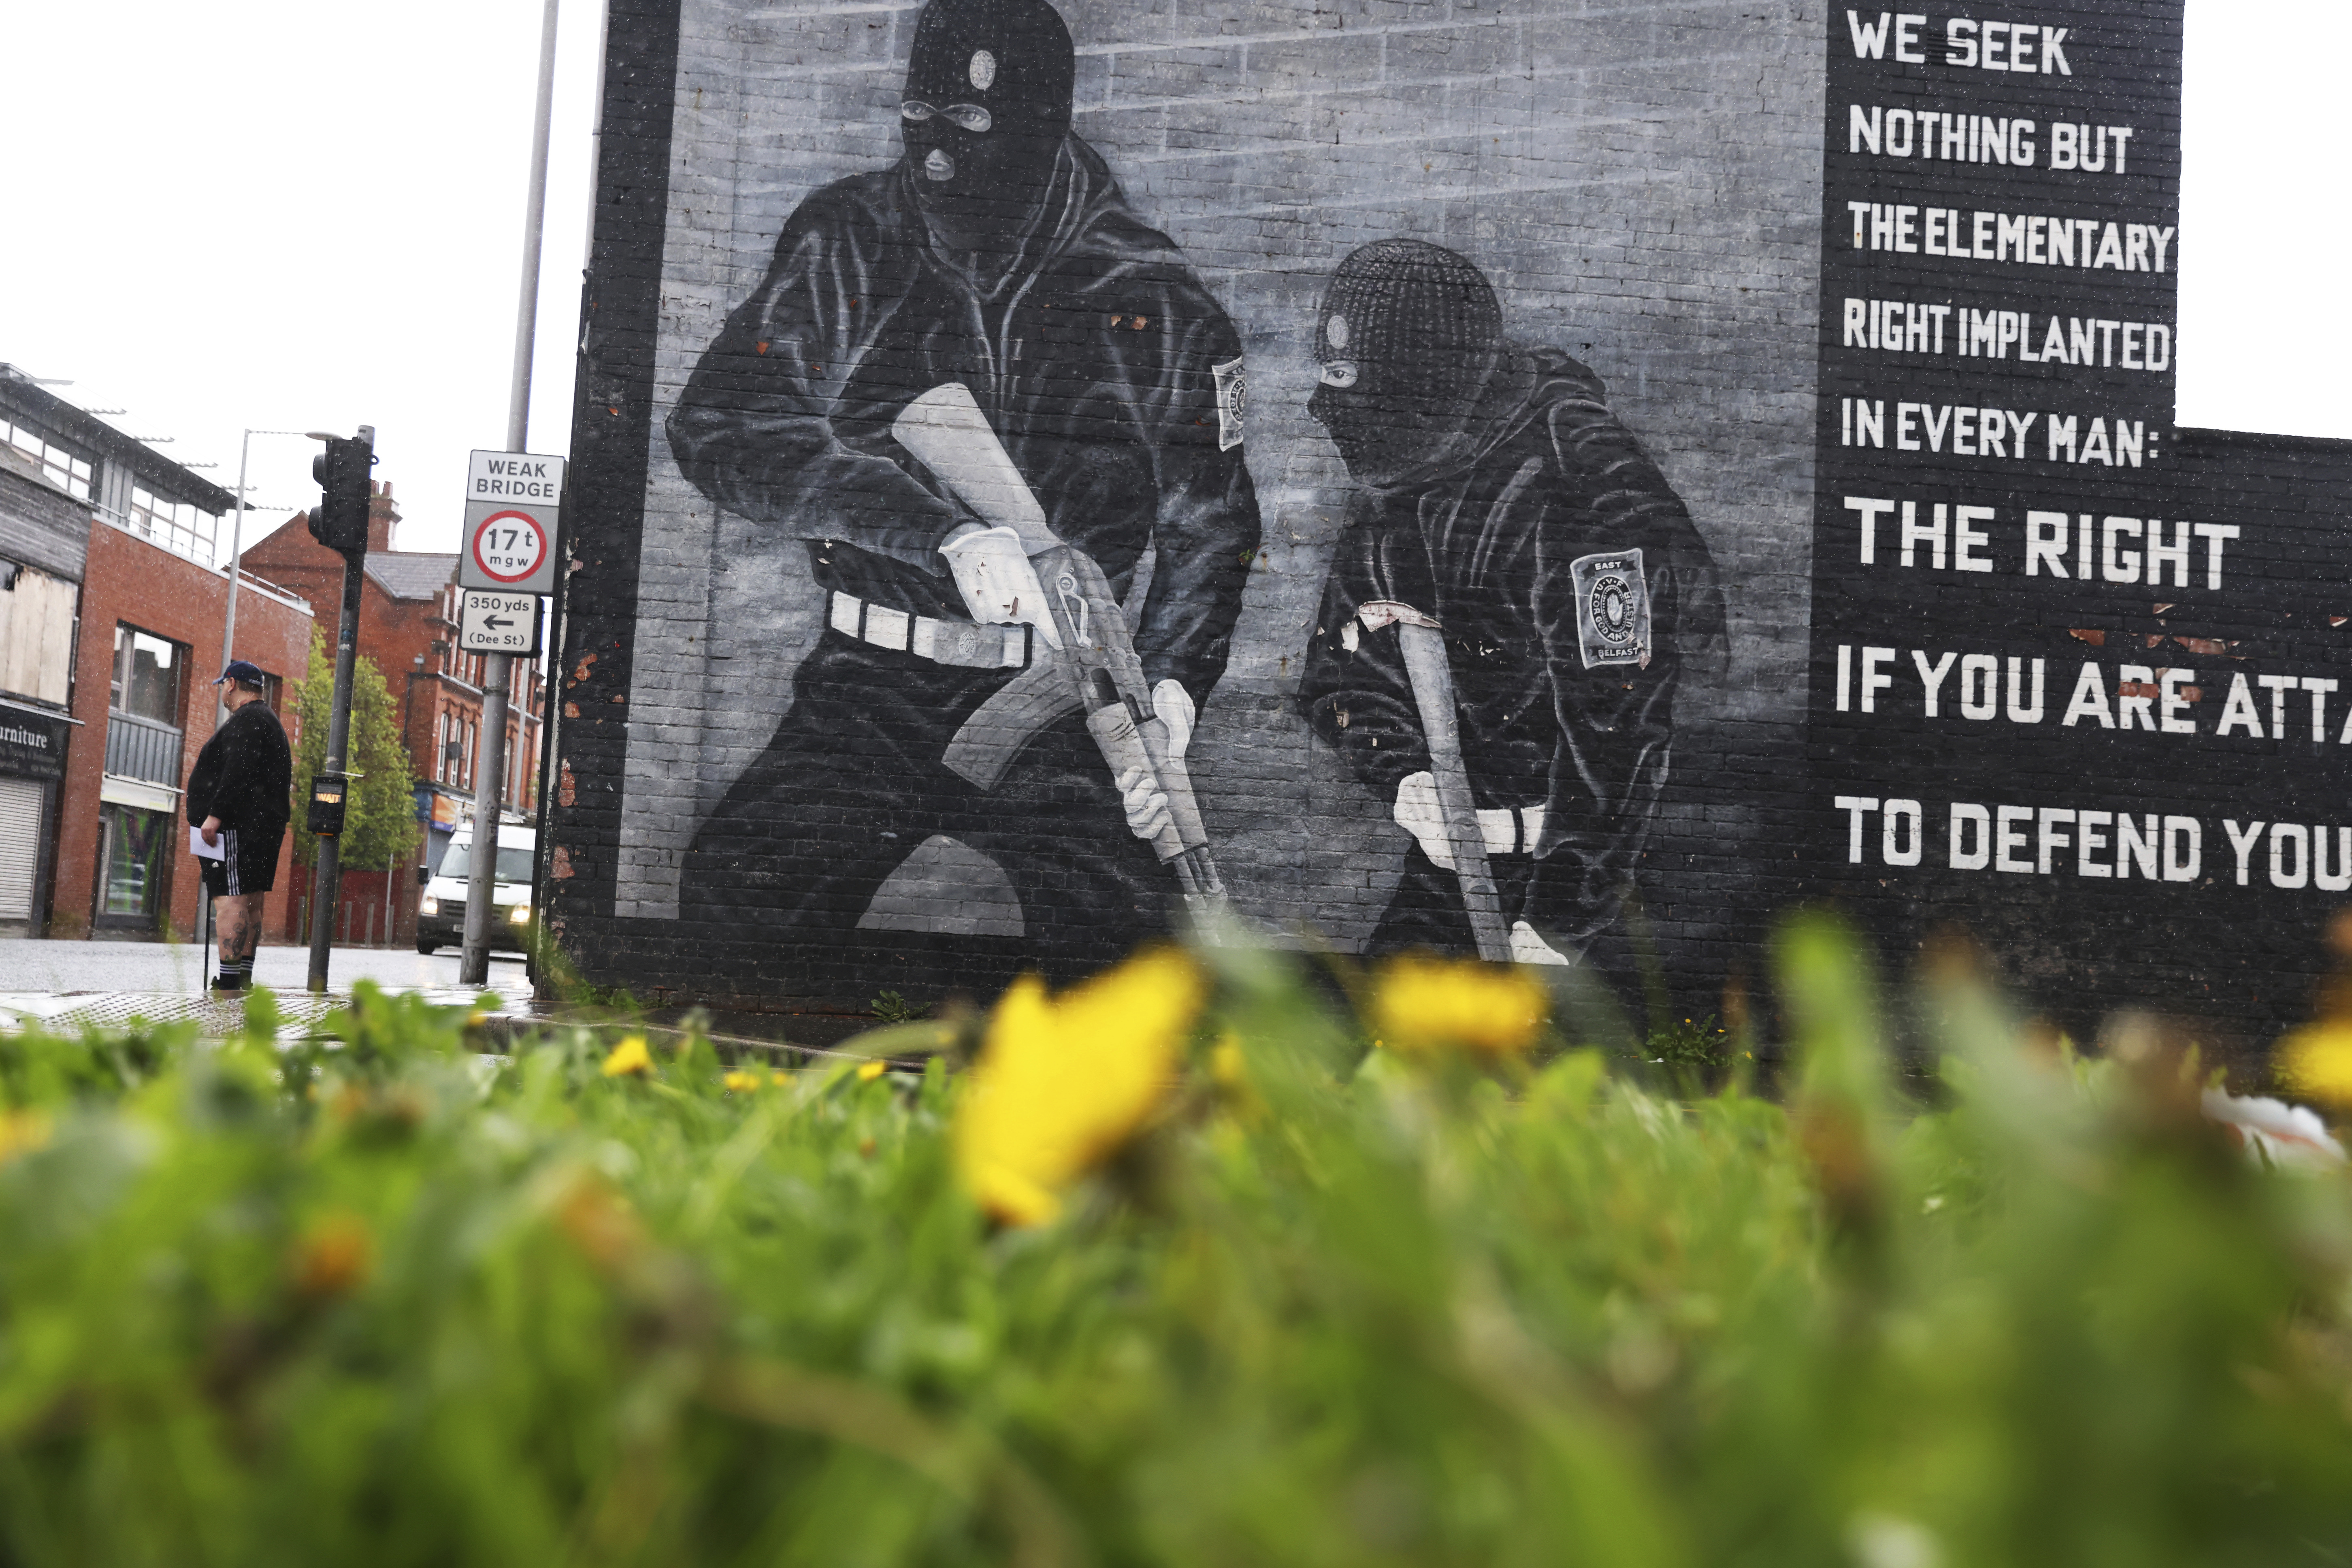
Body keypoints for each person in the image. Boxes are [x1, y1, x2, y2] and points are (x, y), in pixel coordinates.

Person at [666, 0, 1261, 962]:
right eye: (917, 115)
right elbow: (722, 423)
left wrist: (1168, 697)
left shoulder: (1150, 299)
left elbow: (1211, 526)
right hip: (867, 686)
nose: (934, 153)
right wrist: (938, 533)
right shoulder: (848, 239)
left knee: (1130, 955)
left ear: (1038, 121)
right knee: (734, 896)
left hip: (1061, 689)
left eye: (970, 123)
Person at [1296, 239, 1726, 962]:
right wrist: (1406, 777)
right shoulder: (1401, 479)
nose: (1321, 409)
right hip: (1471, 853)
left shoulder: (1585, 497)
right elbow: (1339, 666)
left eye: (1353, 383)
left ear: (1421, 387)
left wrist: (1558, 919)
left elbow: (1622, 733)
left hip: (1608, 872)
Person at [186, 660, 292, 992]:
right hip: (262, 827)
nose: (222, 691)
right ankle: (242, 977)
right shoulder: (269, 720)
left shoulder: (246, 721)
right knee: (250, 900)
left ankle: (229, 983)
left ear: (231, 684)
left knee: (230, 899)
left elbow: (237, 769)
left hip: (236, 829)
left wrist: (215, 814)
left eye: (223, 685)